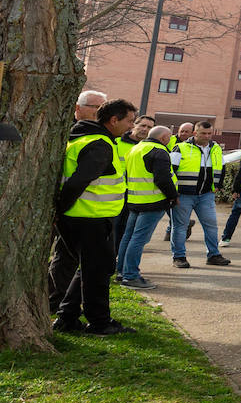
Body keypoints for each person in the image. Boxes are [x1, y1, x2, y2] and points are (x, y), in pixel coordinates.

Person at [50, 98, 138, 334]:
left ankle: (67, 317)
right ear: (113, 120)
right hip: (89, 218)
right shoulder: (100, 143)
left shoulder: (84, 137)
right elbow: (79, 181)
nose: (131, 126)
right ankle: (99, 323)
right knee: (98, 272)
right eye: (129, 121)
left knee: (90, 269)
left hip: (84, 217)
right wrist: (60, 210)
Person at [117, 126, 178, 290]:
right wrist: (173, 196)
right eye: (170, 137)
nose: (171, 140)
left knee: (128, 237)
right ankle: (130, 276)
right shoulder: (159, 151)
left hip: (134, 200)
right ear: (164, 137)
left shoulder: (136, 148)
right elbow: (163, 179)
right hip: (153, 202)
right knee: (139, 239)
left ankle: (121, 272)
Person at [169, 121, 230, 268]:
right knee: (180, 226)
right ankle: (179, 257)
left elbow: (221, 168)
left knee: (211, 225)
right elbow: (170, 171)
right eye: (203, 133)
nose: (207, 136)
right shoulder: (180, 148)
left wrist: (217, 186)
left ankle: (213, 255)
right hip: (183, 195)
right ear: (195, 133)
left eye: (209, 133)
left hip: (206, 195)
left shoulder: (215, 149)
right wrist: (173, 194)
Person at [112, 114, 154, 252]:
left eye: (149, 127)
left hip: (137, 196)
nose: (145, 129)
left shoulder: (149, 147)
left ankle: (119, 262)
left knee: (128, 232)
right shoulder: (116, 142)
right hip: (115, 194)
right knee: (113, 230)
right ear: (134, 125)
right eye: (142, 125)